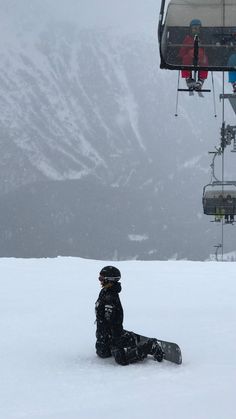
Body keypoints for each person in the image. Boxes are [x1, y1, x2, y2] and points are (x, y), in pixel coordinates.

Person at [95, 265, 164, 365]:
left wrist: (115, 341)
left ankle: (150, 346)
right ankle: (129, 338)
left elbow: (110, 322)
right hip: (104, 335)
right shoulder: (104, 292)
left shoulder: (110, 298)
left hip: (113, 335)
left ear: (109, 280)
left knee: (122, 360)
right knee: (102, 353)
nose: (99, 280)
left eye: (101, 278)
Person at [179, 19, 208, 90]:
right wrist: (180, 55)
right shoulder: (188, 39)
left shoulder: (202, 39)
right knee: (185, 59)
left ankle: (201, 79)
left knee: (205, 60)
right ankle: (188, 77)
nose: (196, 30)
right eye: (194, 28)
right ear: (190, 30)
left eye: (197, 29)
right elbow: (183, 48)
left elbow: (207, 49)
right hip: (189, 57)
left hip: (200, 57)